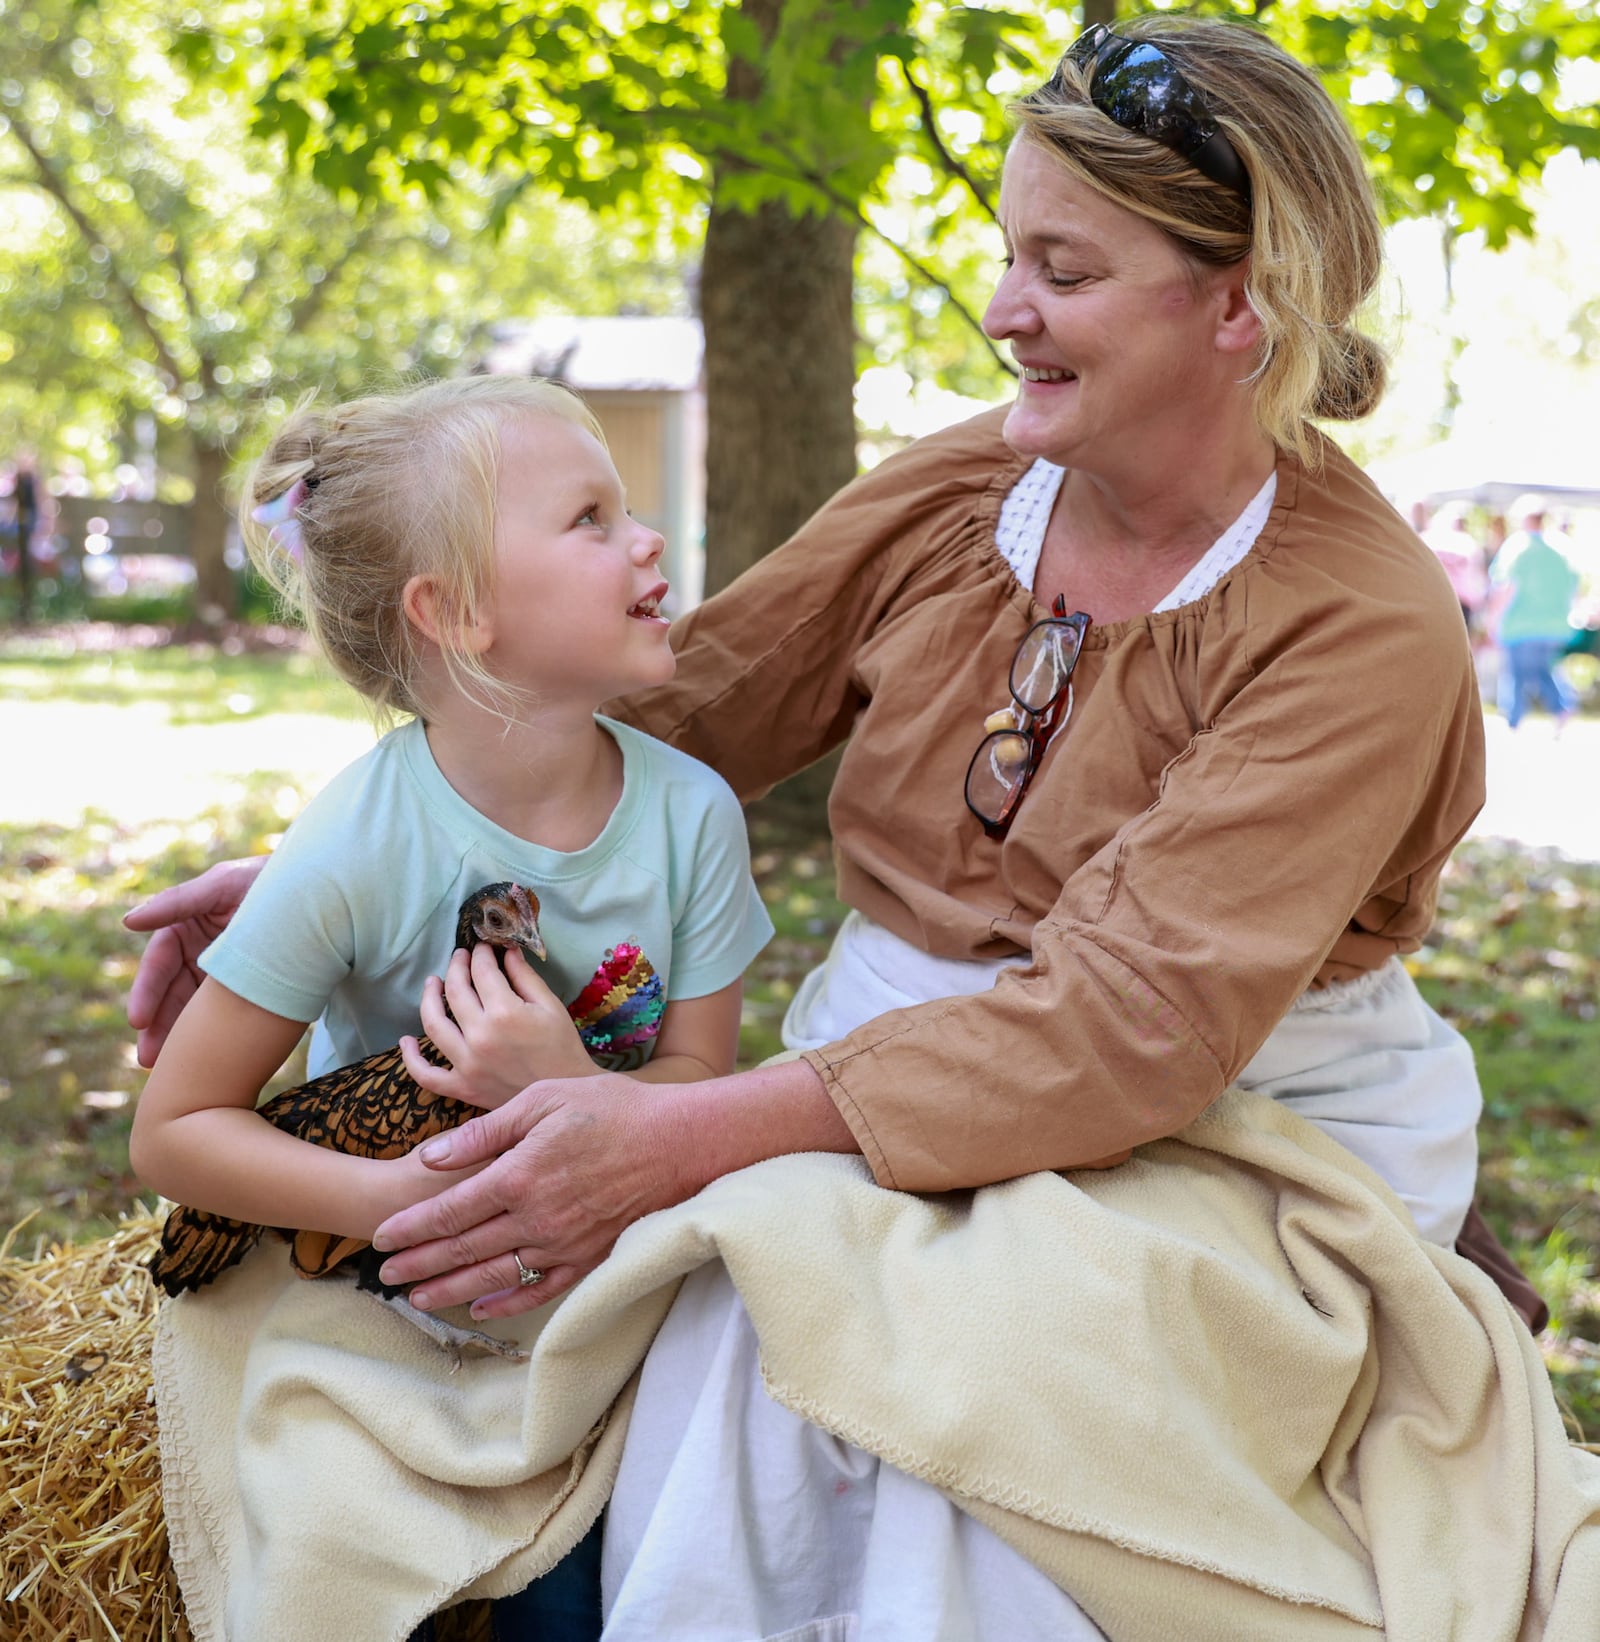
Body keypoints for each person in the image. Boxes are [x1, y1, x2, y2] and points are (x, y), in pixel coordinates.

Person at [128, 18, 1567, 1636]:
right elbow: (697, 705)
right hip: (880, 1067)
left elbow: (1128, 1029)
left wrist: (687, 1134)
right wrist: (399, 869)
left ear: (1239, 304)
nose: (1002, 310)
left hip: (1230, 1123)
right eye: (1009, 254)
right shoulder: (965, 488)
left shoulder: (1357, 619)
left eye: (1065, 271)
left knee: (949, 1404)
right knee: (732, 1345)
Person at [127, 375, 774, 1642]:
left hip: (611, 1261)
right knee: (364, 1560)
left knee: (640, 1563)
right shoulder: (351, 848)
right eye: (590, 518)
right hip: (393, 1287)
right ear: (457, 612)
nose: (645, 539)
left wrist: (571, 1081)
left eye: (628, 508)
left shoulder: (693, 814)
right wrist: (399, 1195)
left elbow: (704, 1076)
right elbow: (175, 1130)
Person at [1489, 492, 1581, 731]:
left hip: (1521, 624)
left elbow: (1506, 587)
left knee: (1517, 673)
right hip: (1554, 624)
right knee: (1542, 669)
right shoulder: (1561, 548)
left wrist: (1493, 618)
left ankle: (1513, 719)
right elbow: (1573, 586)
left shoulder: (1517, 547)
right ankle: (1562, 707)